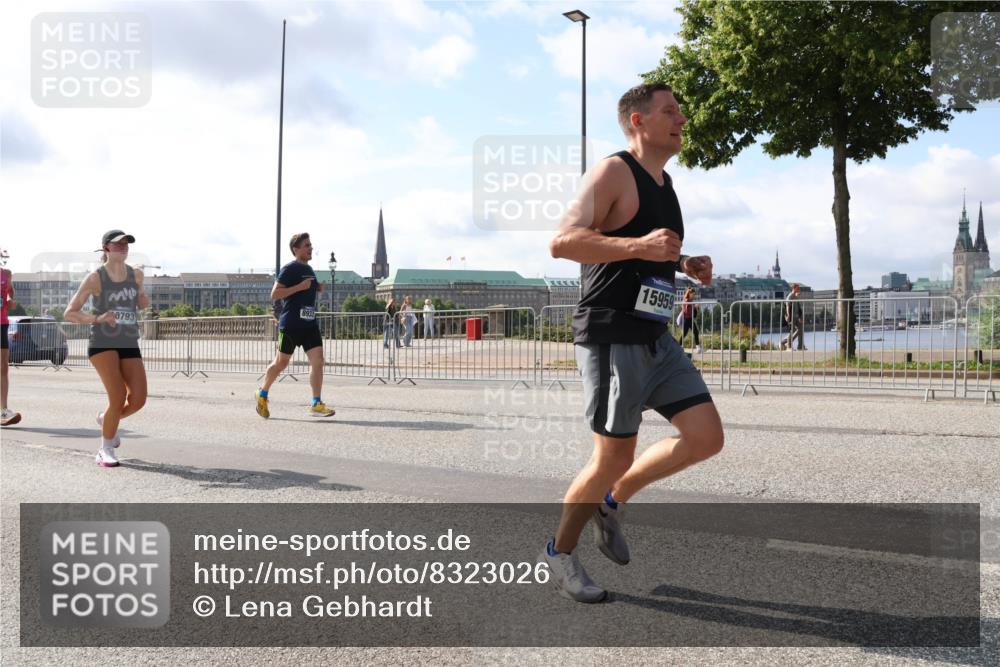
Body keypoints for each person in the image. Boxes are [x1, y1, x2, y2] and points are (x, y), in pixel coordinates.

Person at [542, 83, 724, 602]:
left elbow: (649, 256)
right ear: (638, 121)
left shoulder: (664, 182)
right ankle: (559, 552)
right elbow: (563, 241)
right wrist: (639, 245)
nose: (681, 119)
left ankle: (613, 500)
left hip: (655, 334)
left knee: (706, 437)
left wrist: (684, 266)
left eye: (681, 111)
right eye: (670, 111)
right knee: (610, 457)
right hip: (610, 334)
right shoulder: (613, 170)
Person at [64, 231, 150, 467]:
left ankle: (106, 419)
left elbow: (142, 302)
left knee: (139, 398)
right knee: (118, 396)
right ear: (105, 248)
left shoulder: (137, 274)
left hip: (128, 340)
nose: (123, 247)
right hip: (102, 341)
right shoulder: (96, 277)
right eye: (118, 243)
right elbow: (70, 312)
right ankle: (105, 448)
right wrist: (98, 318)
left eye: (126, 243)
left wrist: (143, 299)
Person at [254, 233, 335, 419]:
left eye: (311, 245)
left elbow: (307, 289)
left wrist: (317, 287)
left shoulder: (310, 269)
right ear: (296, 249)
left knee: (318, 361)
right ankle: (262, 393)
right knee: (281, 363)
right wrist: (299, 287)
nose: (310, 248)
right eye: (306, 245)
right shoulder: (289, 269)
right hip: (291, 325)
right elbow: (275, 294)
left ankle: (316, 402)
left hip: (309, 324)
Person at [1, 252, 21, 427]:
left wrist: (10, 300)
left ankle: (3, 411)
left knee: (3, 367)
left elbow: (10, 293)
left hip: (2, 323)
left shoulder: (6, 274)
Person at [781, 283, 806, 351]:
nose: (799, 289)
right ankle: (788, 346)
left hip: (796, 317)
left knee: (800, 329)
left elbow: (798, 307)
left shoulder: (795, 296)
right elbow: (787, 306)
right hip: (791, 316)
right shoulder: (790, 296)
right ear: (794, 288)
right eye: (798, 288)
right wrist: (788, 315)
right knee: (792, 331)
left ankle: (800, 346)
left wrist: (800, 317)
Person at [678, 287, 700, 352]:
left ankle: (698, 347)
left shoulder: (690, 301)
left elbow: (691, 309)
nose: (693, 295)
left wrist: (695, 307)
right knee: (684, 334)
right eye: (693, 294)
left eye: (694, 294)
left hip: (690, 319)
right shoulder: (686, 300)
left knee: (695, 332)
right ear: (689, 294)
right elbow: (687, 310)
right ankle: (679, 347)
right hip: (686, 319)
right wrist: (694, 306)